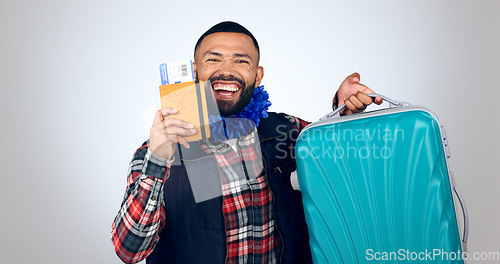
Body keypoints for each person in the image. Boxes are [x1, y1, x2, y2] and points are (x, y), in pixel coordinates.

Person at [111, 21, 382, 264]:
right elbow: (130, 251)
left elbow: (342, 162)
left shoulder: (288, 130)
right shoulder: (156, 152)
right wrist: (159, 160)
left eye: (241, 61)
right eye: (213, 59)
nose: (226, 71)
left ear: (258, 74)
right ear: (194, 71)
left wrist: (345, 112)